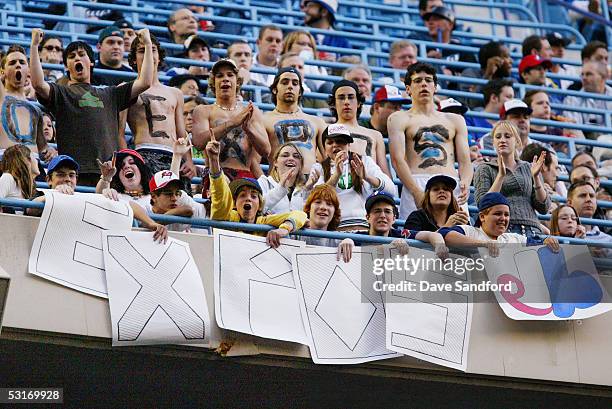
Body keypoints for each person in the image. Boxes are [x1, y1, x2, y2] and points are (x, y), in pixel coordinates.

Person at [30, 28, 154, 187]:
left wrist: (148, 44)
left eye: (82, 55)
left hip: (108, 173)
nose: (77, 59)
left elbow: (145, 82)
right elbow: (38, 84)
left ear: (91, 62)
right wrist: (34, 46)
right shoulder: (61, 92)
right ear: (66, 66)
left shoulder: (110, 94)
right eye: (71, 56)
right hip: (74, 173)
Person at [388, 62, 472, 219]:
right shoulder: (399, 118)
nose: (424, 84)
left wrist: (465, 183)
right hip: (418, 180)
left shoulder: (455, 120)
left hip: (450, 182)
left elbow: (465, 161)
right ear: (408, 89)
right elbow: (397, 160)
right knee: (415, 238)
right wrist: (415, 191)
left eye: (428, 80)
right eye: (418, 81)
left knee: (458, 237)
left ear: (435, 87)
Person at [32, 154, 168, 242]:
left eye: (71, 175)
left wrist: (150, 223)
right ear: (49, 179)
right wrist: (54, 195)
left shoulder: (83, 198)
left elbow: (128, 205)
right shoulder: (43, 194)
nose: (67, 179)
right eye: (61, 175)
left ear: (76, 179)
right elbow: (31, 209)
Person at [205, 133, 307, 248]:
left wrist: (283, 229)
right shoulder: (226, 217)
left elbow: (300, 215)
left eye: (254, 196)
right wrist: (214, 161)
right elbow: (220, 198)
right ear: (234, 203)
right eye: (242, 195)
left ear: (259, 205)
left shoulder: (262, 221)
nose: (248, 198)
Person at [126, 32, 196, 186]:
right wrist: (125, 161)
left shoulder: (175, 93)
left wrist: (189, 160)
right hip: (143, 153)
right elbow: (118, 132)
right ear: (133, 59)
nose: (148, 55)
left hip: (174, 155)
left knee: (177, 203)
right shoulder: (126, 90)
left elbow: (181, 132)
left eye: (152, 50)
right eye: (142, 51)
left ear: (159, 56)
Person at [192, 58, 270, 181]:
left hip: (244, 176)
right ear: (213, 82)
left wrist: (249, 130)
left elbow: (266, 150)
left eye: (230, 75)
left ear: (237, 81)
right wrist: (232, 123)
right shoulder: (203, 110)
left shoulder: (251, 111)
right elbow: (198, 143)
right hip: (215, 173)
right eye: (219, 75)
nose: (225, 79)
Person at [310, 124, 396, 231]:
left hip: (364, 229)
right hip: (336, 231)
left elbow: (391, 190)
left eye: (340, 141)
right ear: (325, 148)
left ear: (349, 145)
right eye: (330, 142)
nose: (335, 145)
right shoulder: (319, 168)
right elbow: (315, 199)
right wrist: (336, 175)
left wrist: (367, 177)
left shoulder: (364, 161)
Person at [473, 120, 551, 237]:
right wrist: (500, 176)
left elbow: (543, 207)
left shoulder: (529, 167)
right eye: (498, 137)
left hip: (532, 231)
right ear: (493, 142)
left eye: (507, 136)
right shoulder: (485, 168)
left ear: (517, 141)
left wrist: (536, 178)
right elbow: (483, 205)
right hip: (502, 231)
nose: (502, 140)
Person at [439, 192, 559, 250]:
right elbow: (444, 234)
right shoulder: (470, 231)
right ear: (482, 217)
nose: (503, 218)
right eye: (497, 214)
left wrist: (547, 240)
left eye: (506, 214)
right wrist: (484, 244)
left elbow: (537, 242)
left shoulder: (513, 238)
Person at [263, 67, 327, 172]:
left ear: (300, 91)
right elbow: (254, 160)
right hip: (279, 182)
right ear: (275, 89)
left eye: (295, 83)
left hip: (310, 183)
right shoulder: (264, 120)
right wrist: (265, 183)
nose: (290, 86)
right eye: (284, 82)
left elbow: (328, 158)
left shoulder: (317, 122)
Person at [327, 80, 391, 177]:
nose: (346, 102)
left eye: (351, 97)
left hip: (368, 187)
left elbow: (384, 174)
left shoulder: (375, 135)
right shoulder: (326, 130)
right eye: (341, 98)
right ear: (334, 104)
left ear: (359, 103)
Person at [359, 191, 450, 258]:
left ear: (394, 218)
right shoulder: (357, 237)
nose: (382, 216)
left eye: (387, 211)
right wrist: (347, 241)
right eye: (377, 211)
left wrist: (440, 247)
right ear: (367, 217)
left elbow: (431, 235)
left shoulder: (400, 234)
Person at [0, 45, 52, 160]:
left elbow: (43, 148)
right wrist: (34, 44)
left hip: (31, 168)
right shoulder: (1, 98)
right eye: (12, 63)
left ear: (28, 70)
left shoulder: (36, 110)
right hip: (4, 166)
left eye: (22, 62)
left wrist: (49, 151)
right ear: (2, 71)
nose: (18, 65)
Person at [300, 184, 354, 262]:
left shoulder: (339, 240)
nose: (323, 207)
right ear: (309, 208)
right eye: (318, 202)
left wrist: (349, 241)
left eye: (329, 204)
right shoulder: (295, 235)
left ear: (334, 212)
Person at [258, 143, 312, 214]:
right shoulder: (264, 182)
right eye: (285, 155)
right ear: (275, 162)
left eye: (296, 156)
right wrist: (280, 189)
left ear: (301, 165)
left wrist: (308, 192)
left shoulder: (306, 189)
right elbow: (257, 208)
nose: (291, 158)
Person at [404, 174, 469, 232]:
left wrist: (467, 228)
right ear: (428, 196)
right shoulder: (417, 217)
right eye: (436, 189)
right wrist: (447, 227)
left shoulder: (459, 218)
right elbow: (410, 242)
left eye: (446, 189)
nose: (441, 191)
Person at [563, 61, 612, 135]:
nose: (584, 78)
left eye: (589, 74)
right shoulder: (571, 99)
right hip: (584, 144)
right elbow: (574, 130)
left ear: (603, 77)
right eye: (582, 74)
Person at [460, 41, 513, 107]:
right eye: (506, 56)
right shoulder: (470, 74)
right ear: (492, 60)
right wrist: (488, 75)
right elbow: (470, 104)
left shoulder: (509, 82)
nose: (511, 61)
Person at [567, 181, 612, 258]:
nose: (588, 199)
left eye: (591, 196)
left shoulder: (609, 240)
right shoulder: (560, 234)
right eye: (582, 196)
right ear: (569, 203)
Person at [0, 145, 39, 213]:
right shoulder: (8, 178)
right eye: (34, 157)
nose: (37, 161)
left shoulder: (31, 187)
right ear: (27, 160)